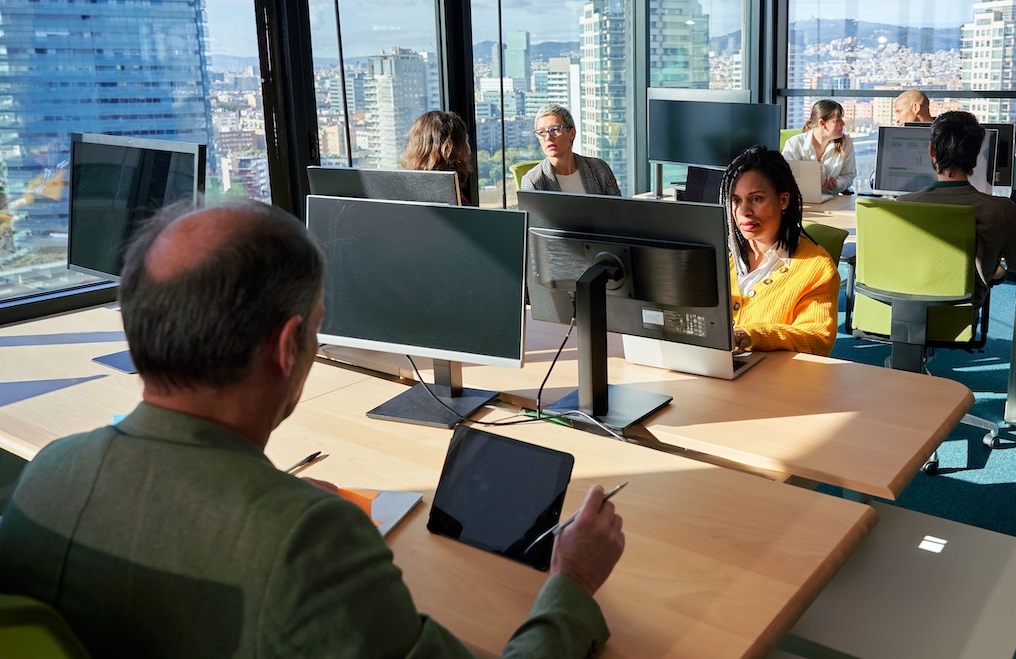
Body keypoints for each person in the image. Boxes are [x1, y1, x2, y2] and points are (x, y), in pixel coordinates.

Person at [0, 200, 624, 658]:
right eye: (318, 327)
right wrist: (572, 583)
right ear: (289, 346)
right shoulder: (309, 544)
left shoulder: (49, 474)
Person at [898, 111, 1016, 307]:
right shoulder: (999, 210)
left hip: (897, 311)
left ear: (931, 151)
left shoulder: (902, 206)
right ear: (976, 154)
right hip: (956, 314)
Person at [721, 146, 839, 356]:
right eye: (736, 200)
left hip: (776, 381)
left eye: (756, 199)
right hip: (712, 372)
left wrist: (753, 335)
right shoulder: (720, 255)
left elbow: (817, 338)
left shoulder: (817, 267)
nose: (743, 211)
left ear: (783, 200)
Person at [521, 104, 620, 196]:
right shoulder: (533, 181)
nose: (548, 138)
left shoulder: (599, 168)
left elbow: (620, 210)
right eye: (541, 132)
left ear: (572, 134)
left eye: (555, 129)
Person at [781, 99, 857, 194]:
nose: (843, 123)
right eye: (838, 120)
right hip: (802, 201)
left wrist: (836, 184)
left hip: (832, 201)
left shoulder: (846, 143)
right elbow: (784, 178)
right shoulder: (794, 144)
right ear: (822, 124)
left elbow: (848, 176)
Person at [400, 109, 473, 204]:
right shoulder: (454, 202)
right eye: (466, 141)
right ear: (452, 149)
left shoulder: (404, 191)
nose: (469, 148)